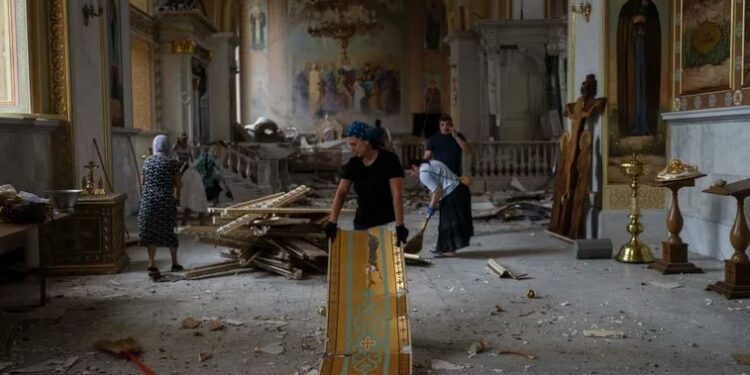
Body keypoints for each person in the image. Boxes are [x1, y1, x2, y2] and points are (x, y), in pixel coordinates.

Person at [325, 121, 408, 245]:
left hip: (386, 223)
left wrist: (399, 225)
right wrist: (332, 222)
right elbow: (341, 192)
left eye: (354, 144)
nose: (352, 149)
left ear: (367, 141)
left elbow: (396, 195)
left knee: (384, 262)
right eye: (350, 146)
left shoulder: (389, 160)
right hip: (362, 222)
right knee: (363, 262)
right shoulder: (354, 164)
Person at [408, 159, 473, 257]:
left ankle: (449, 250)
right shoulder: (431, 163)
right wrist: (434, 203)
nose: (411, 176)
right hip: (461, 190)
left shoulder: (423, 174)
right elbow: (437, 187)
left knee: (447, 222)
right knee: (447, 221)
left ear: (414, 167)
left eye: (410, 172)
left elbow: (437, 191)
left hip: (453, 194)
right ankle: (444, 248)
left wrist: (431, 208)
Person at [138, 135, 183, 274]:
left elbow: (142, 182)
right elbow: (178, 184)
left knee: (151, 232)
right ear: (168, 146)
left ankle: (152, 263)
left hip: (149, 202)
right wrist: (177, 198)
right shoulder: (172, 163)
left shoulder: (147, 162)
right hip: (165, 202)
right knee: (170, 231)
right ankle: (174, 263)